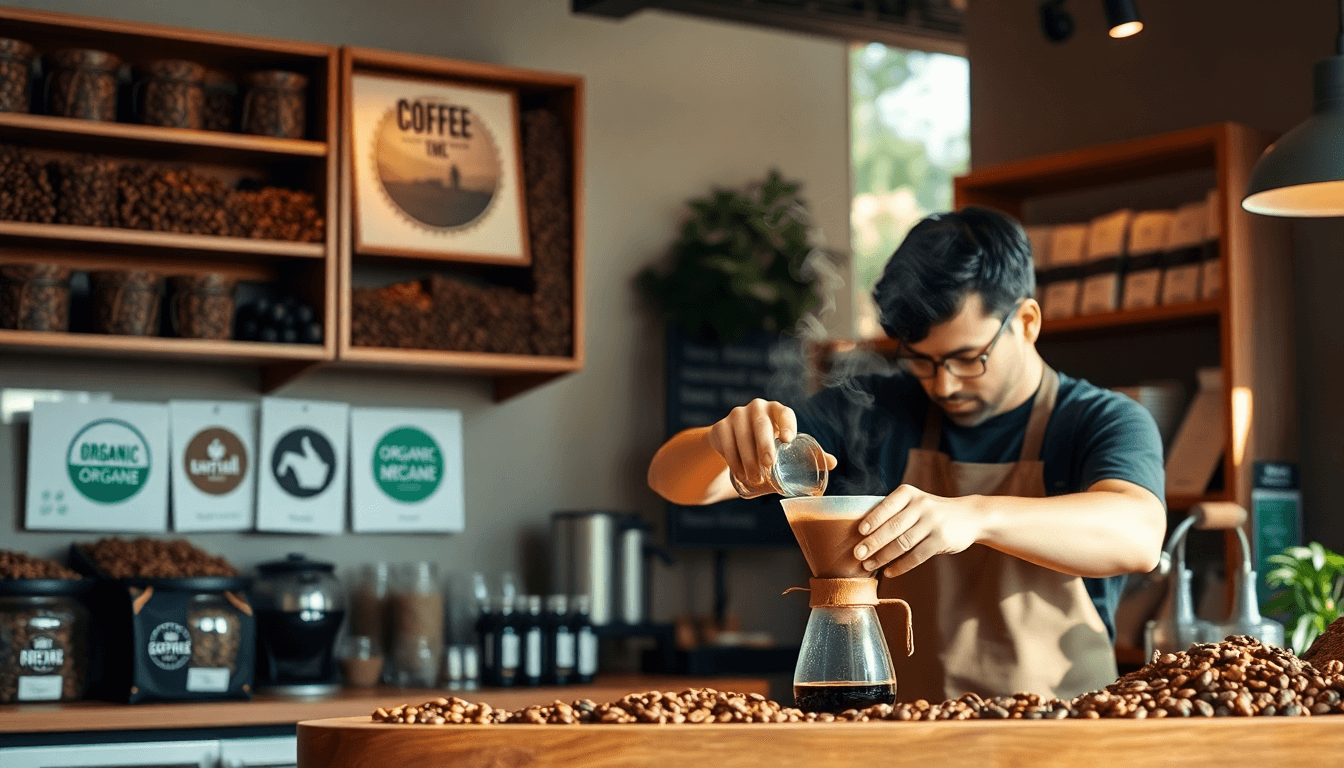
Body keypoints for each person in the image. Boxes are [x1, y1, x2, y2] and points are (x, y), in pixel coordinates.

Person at [647, 207, 1166, 702]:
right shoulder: (880, 411)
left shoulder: (1099, 419)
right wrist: (721, 442)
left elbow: (1137, 533)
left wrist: (975, 515)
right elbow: (674, 483)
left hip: (1058, 739)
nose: (944, 383)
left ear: (1027, 322)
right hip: (907, 736)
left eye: (968, 358)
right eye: (921, 360)